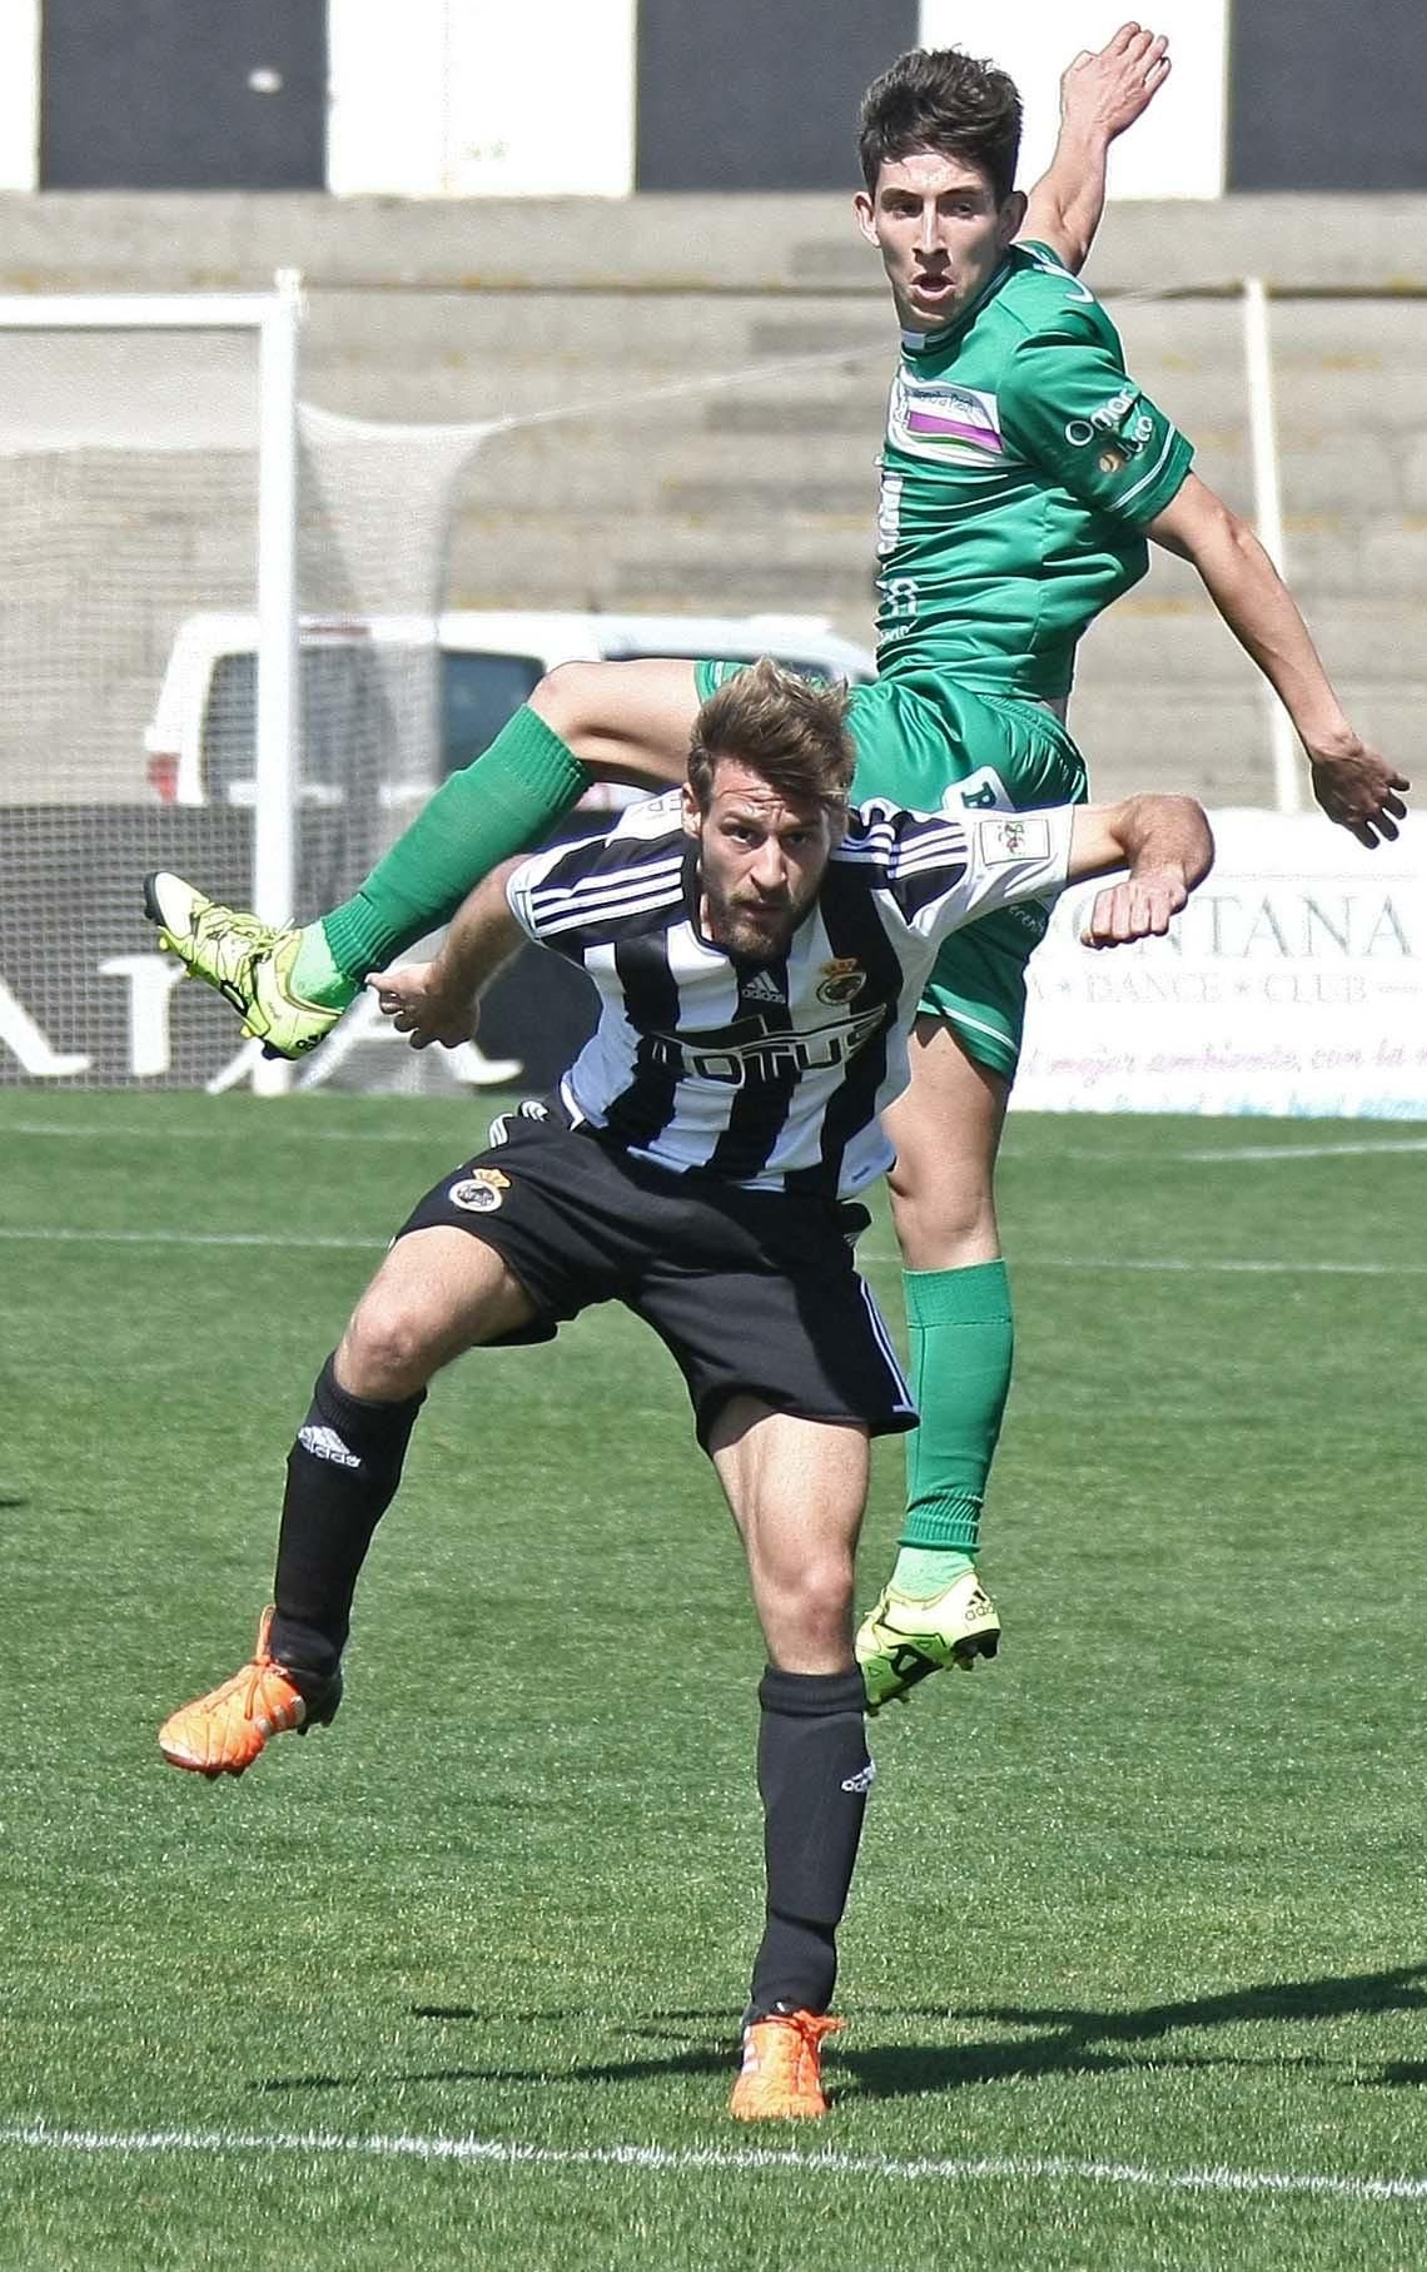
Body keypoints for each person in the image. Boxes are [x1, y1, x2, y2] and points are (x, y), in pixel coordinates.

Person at [147, 27, 1405, 1712]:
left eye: (962, 208)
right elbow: (1057, 250)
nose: (934, 237)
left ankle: (315, 969)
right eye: (909, 207)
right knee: (938, 1198)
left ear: (987, 209)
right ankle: (945, 1564)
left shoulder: (1030, 355)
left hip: (933, 729)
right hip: (1017, 758)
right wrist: (1092, 132)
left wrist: (1323, 734)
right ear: (873, 209)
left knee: (583, 709)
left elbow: (1217, 532)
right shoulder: (1003, 284)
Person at [152, 662, 1215, 2121]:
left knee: (813, 1597)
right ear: (693, 810)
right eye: (741, 832)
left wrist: (1159, 870)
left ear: (838, 822)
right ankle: (293, 1661)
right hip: (591, 1174)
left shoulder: (906, 871)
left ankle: (787, 2020)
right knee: (390, 1332)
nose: (770, 866)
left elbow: (1164, 813)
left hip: (772, 1246)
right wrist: (452, 986)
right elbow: (510, 891)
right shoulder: (616, 881)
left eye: (798, 835)